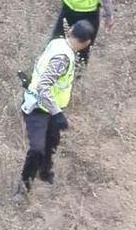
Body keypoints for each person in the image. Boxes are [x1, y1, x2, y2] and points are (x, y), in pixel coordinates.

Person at [13, 20, 95, 203]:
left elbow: (41, 64)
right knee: (37, 149)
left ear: (71, 31)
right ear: (87, 43)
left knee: (52, 140)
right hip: (38, 108)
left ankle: (45, 172)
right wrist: (57, 113)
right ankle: (22, 190)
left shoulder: (57, 42)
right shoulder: (63, 58)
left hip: (48, 106)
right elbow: (44, 86)